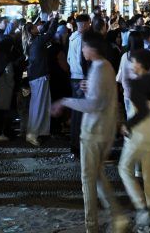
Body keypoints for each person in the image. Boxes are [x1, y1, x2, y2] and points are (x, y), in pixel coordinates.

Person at [53, 30, 127, 233]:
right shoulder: (105, 66)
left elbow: (93, 105)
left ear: (92, 48)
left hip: (93, 131)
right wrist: (89, 88)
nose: (82, 50)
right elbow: (102, 96)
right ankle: (117, 215)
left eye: (84, 46)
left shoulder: (99, 68)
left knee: (88, 178)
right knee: (97, 175)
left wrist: (65, 101)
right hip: (105, 130)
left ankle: (91, 226)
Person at [117, 49, 150, 233]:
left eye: (134, 62)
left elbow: (142, 111)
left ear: (141, 64)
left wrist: (127, 125)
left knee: (124, 168)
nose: (132, 65)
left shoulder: (137, 84)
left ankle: (142, 208)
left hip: (140, 133)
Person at [26, 18, 56, 146]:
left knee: (41, 104)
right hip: (39, 75)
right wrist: (55, 20)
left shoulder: (32, 40)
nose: (38, 27)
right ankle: (33, 133)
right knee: (39, 105)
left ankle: (40, 131)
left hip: (36, 75)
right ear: (32, 30)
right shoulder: (37, 41)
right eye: (35, 26)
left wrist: (49, 21)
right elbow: (49, 34)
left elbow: (43, 30)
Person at [67, 13, 92, 158]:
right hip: (82, 78)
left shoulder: (72, 37)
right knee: (82, 113)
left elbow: (70, 58)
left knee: (77, 112)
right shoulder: (83, 38)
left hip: (74, 76)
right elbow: (83, 60)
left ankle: (75, 145)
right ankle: (79, 146)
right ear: (86, 23)